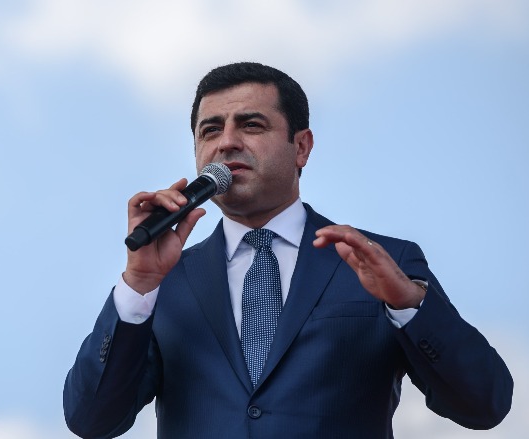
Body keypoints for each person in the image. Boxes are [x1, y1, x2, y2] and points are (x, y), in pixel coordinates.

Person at [63, 62, 513, 438]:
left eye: (251, 124)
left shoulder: (380, 263)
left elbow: (484, 404)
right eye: (210, 130)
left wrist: (409, 305)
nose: (227, 142)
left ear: (301, 147)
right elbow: (92, 420)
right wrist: (138, 285)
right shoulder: (165, 282)